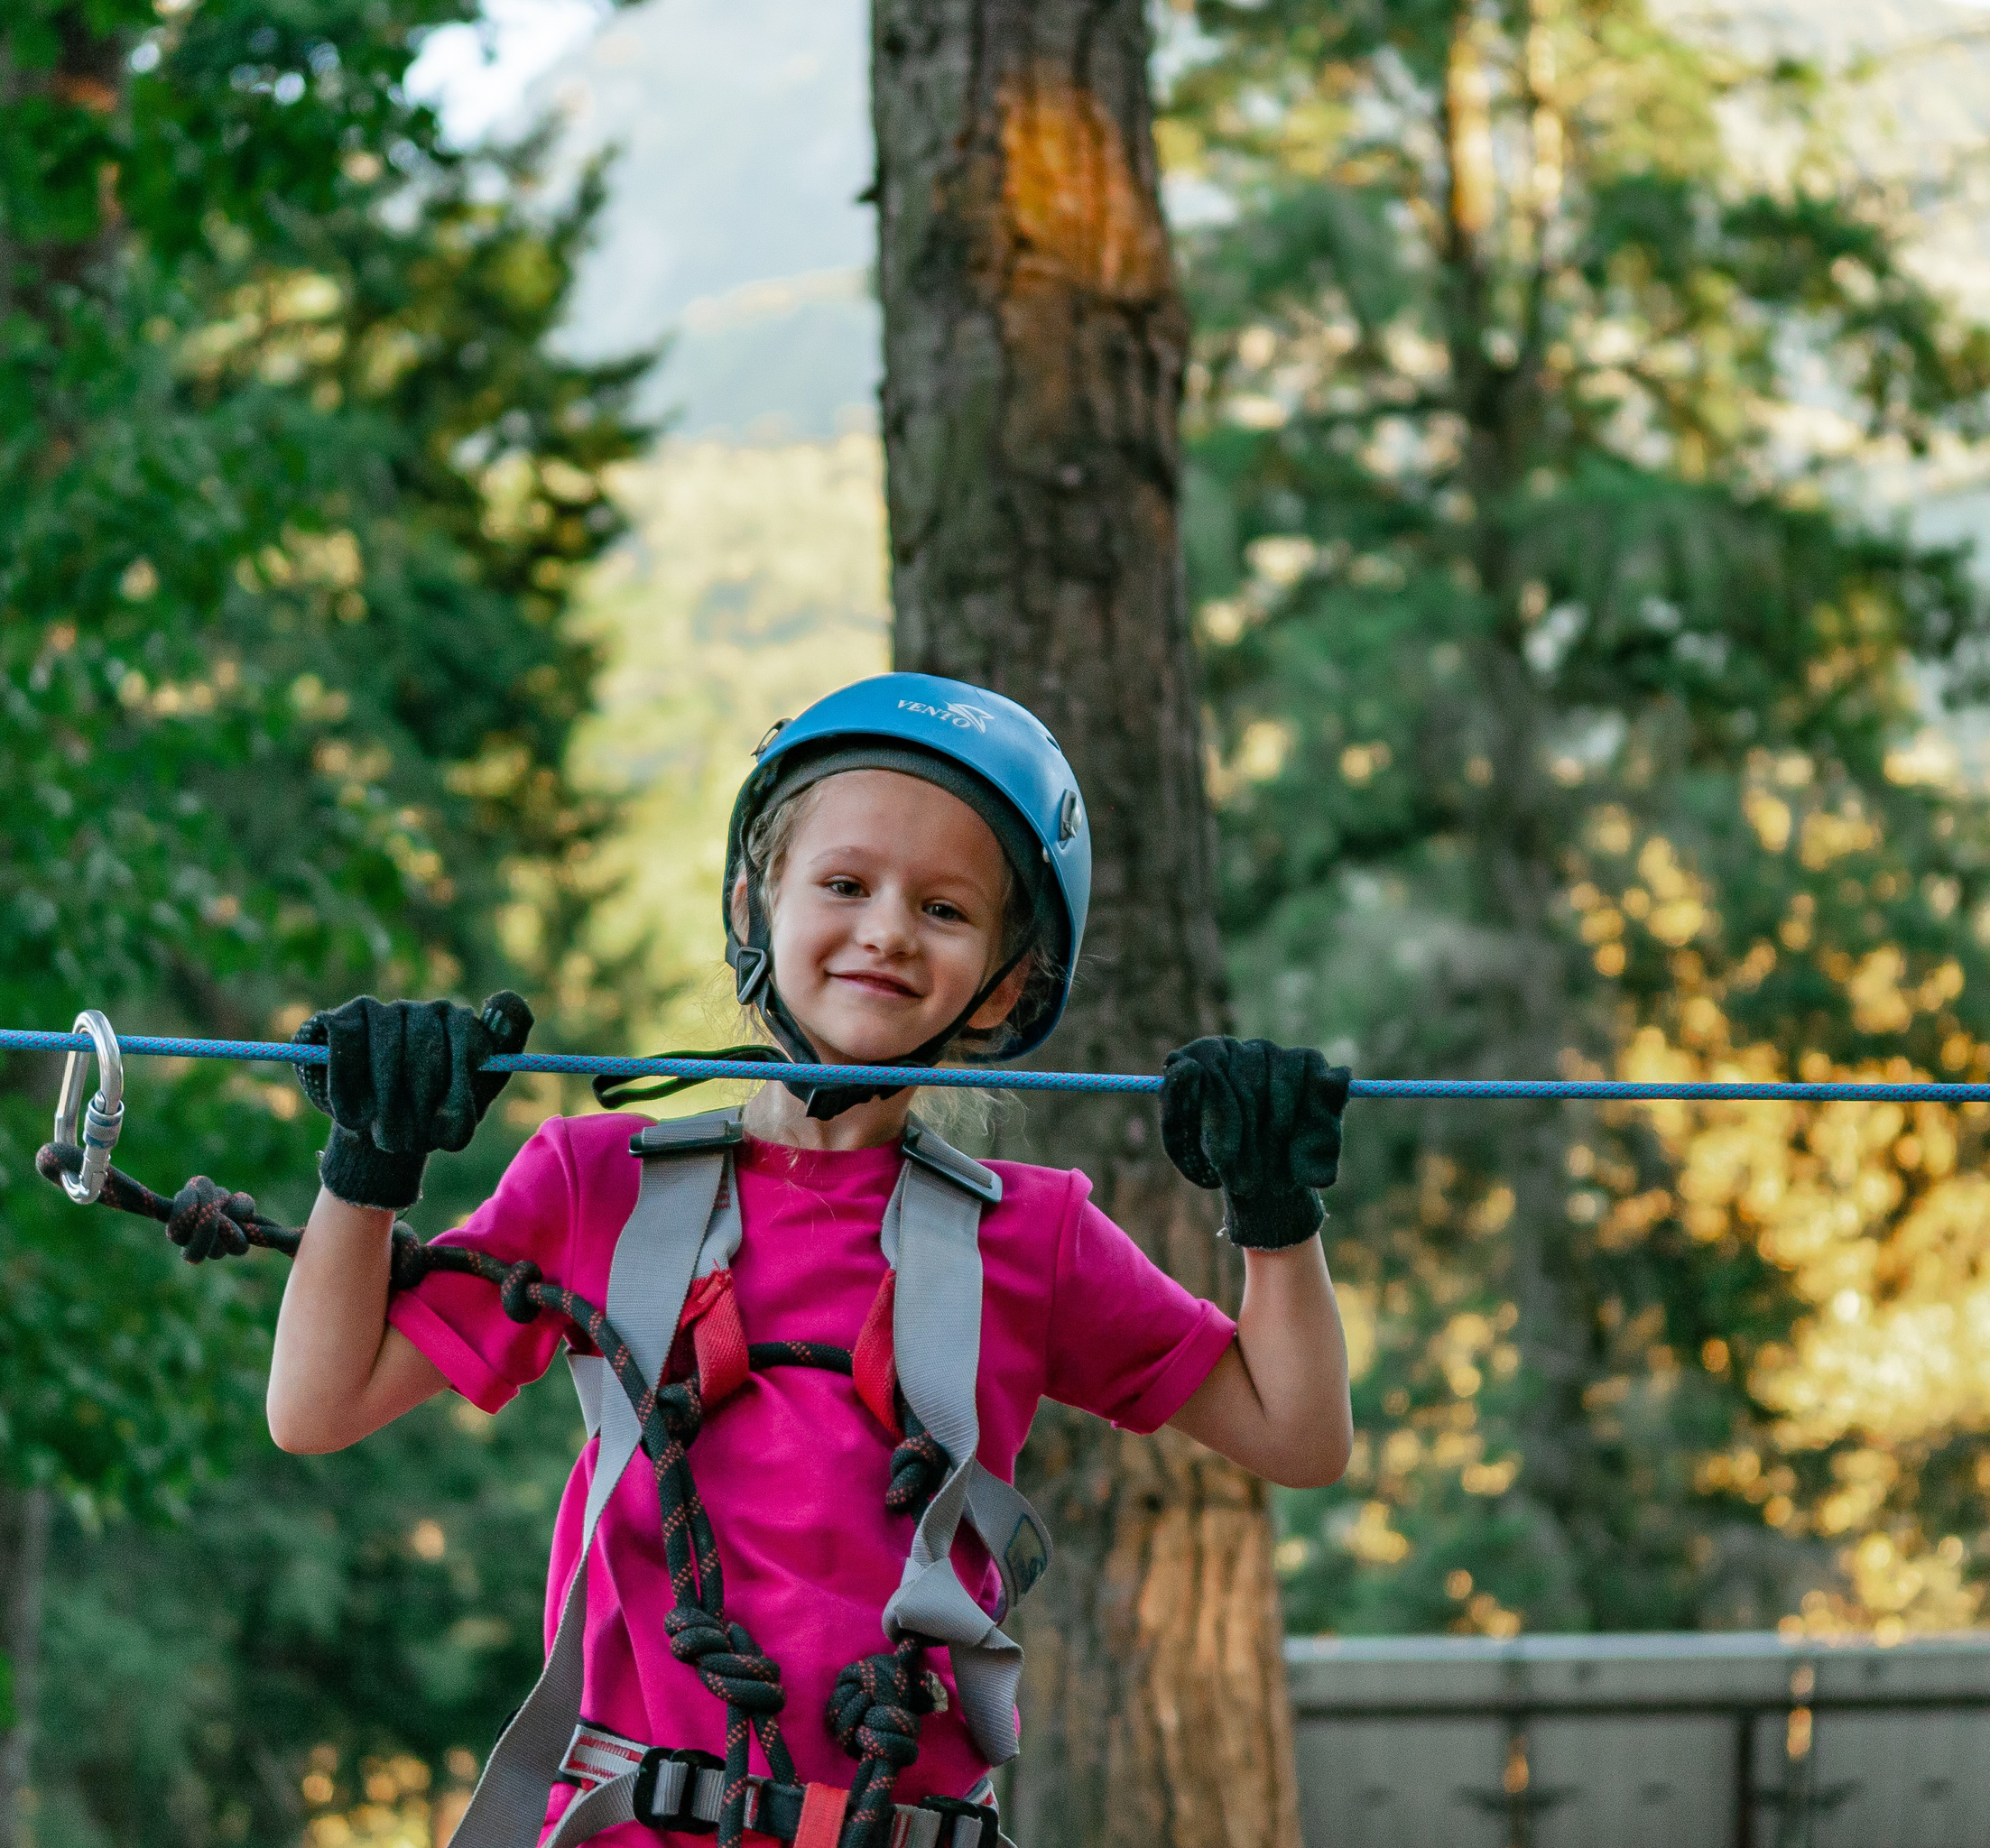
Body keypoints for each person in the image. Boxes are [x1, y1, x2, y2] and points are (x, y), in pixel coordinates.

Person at [265, 672, 1353, 1848]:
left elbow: (1296, 1432)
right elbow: (319, 1403)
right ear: (756, 901)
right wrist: (366, 1170)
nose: (886, 929)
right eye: (845, 884)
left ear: (1004, 983)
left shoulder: (1032, 1235)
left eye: (945, 909)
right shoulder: (597, 1185)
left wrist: (1275, 1210)